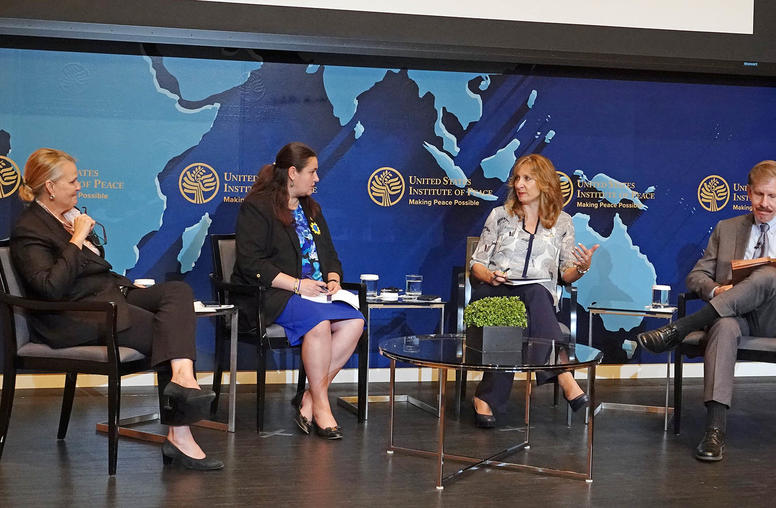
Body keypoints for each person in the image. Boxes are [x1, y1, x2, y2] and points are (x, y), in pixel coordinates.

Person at [10, 148, 222, 471]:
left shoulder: (64, 218)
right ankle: (180, 436)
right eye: (73, 181)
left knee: (176, 293)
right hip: (72, 317)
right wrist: (78, 237)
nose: (79, 186)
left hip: (107, 297)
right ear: (50, 188)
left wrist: (127, 285)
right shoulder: (30, 229)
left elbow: (96, 267)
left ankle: (182, 379)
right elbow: (49, 288)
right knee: (164, 329)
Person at [638, 159, 776, 462]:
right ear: (749, 193)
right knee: (724, 326)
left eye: (773, 196)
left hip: (773, 319)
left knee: (767, 274)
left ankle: (682, 327)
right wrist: (716, 290)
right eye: (759, 195)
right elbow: (696, 275)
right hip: (733, 315)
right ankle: (715, 430)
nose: (765, 203)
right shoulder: (727, 229)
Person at [232, 142, 364, 440]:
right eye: (312, 172)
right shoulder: (258, 206)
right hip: (274, 293)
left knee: (354, 321)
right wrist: (296, 284)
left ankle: (309, 396)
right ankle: (321, 407)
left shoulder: (310, 209)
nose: (317, 179)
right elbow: (250, 262)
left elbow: (329, 253)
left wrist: (333, 277)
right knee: (317, 324)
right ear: (292, 173)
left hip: (315, 293)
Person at [468, 153, 599, 428]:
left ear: (545, 183)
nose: (519, 184)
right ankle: (565, 377)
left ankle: (485, 397)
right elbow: (476, 264)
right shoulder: (500, 216)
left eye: (528, 178)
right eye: (517, 178)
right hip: (496, 291)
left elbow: (566, 274)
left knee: (535, 295)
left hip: (536, 300)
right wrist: (490, 275)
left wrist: (583, 268)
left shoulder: (563, 223)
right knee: (526, 301)